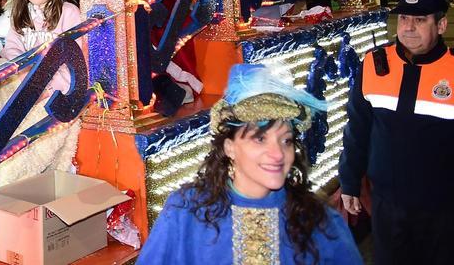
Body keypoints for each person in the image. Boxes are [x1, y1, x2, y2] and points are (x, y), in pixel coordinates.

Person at [138, 63, 359, 264]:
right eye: (260, 138)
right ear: (229, 147)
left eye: (286, 140)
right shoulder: (186, 211)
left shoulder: (319, 221)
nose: (277, 154)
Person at [338, 0, 454, 263]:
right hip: (388, 210)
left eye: (420, 20)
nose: (408, 27)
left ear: (441, 25)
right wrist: (349, 182)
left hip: (446, 212)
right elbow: (357, 130)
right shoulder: (373, 64)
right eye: (404, 18)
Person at [0, 0, 83, 186]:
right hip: (26, 82)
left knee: (36, 131)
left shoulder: (69, 13)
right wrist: (24, 72)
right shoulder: (20, 14)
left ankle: (15, 179)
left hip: (58, 85)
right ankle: (4, 169)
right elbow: (12, 49)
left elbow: (77, 59)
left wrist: (49, 83)